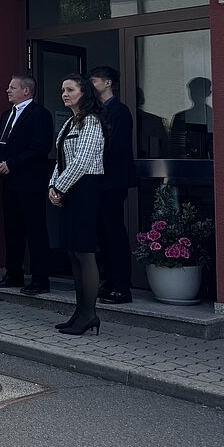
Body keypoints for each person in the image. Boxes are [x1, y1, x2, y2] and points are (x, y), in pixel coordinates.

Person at [50, 74, 107, 336]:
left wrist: (60, 187)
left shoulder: (92, 122)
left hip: (85, 189)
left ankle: (89, 314)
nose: (65, 93)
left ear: (84, 93)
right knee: (72, 251)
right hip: (70, 189)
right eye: (63, 89)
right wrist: (52, 186)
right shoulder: (70, 123)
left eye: (70, 89)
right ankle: (78, 312)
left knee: (84, 252)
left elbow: (82, 161)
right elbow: (61, 160)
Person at [0, 75, 53, 294]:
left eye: (12, 87)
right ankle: (13, 273)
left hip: (30, 182)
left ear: (26, 91)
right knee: (12, 229)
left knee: (35, 230)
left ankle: (40, 279)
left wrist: (12, 164)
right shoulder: (7, 114)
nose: (7, 90)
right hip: (9, 183)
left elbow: (40, 147)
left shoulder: (40, 115)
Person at [89, 67, 136, 305]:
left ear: (108, 83)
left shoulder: (119, 111)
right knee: (102, 234)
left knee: (114, 232)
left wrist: (92, 164)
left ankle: (121, 287)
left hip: (112, 181)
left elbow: (115, 148)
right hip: (99, 181)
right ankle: (107, 282)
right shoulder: (96, 111)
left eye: (95, 80)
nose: (92, 84)